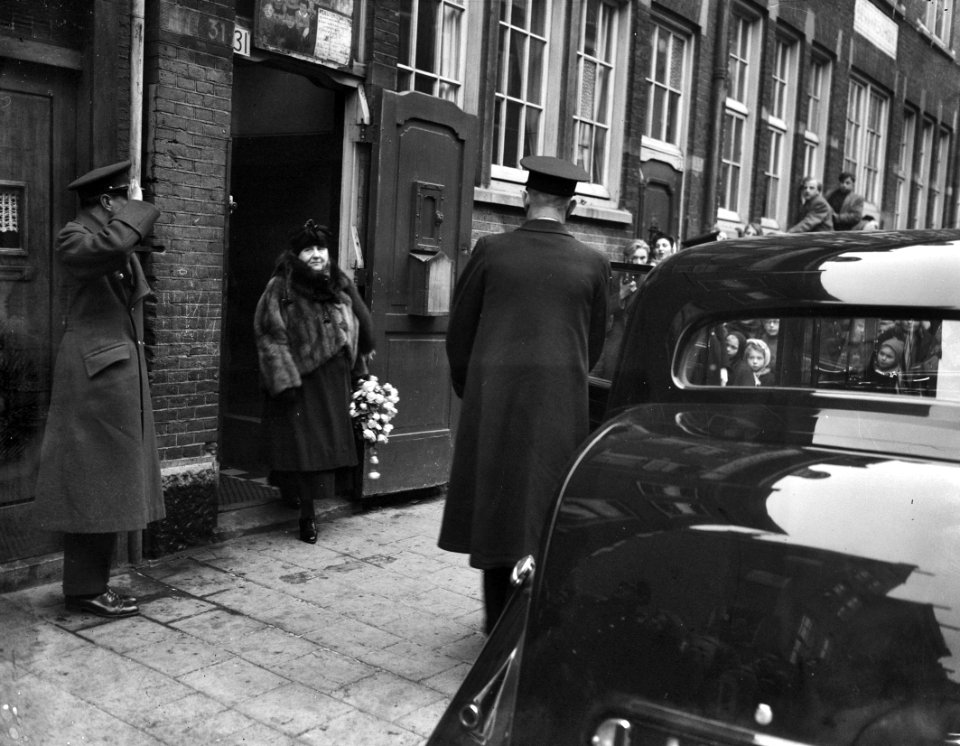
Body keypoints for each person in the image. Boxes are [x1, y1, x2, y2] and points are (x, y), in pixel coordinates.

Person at [441, 155, 609, 634]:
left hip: (494, 402)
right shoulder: (594, 263)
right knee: (543, 508)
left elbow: (460, 332)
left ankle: (496, 623)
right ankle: (535, 622)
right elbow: (592, 344)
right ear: (571, 205)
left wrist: (470, 389)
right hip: (560, 409)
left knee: (498, 506)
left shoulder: (491, 251)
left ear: (524, 198)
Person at [33, 160, 164, 619]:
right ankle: (85, 589)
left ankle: (92, 586)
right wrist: (141, 208)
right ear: (108, 201)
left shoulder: (105, 241)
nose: (130, 208)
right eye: (123, 199)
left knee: (106, 487)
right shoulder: (74, 237)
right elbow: (115, 242)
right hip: (93, 380)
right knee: (93, 486)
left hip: (111, 377)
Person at [254, 220, 374, 544]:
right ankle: (307, 516)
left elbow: (352, 330)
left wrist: (359, 370)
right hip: (301, 381)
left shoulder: (338, 285)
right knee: (304, 451)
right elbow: (269, 335)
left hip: (335, 379)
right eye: (309, 249)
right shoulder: (281, 287)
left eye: (321, 248)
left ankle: (296, 495)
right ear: (297, 254)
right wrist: (285, 380)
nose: (317, 255)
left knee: (322, 449)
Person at [594, 239, 649, 378]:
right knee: (610, 373)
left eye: (642, 258)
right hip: (617, 335)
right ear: (627, 258)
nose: (638, 262)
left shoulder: (649, 278)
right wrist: (622, 294)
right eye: (634, 258)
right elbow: (604, 307)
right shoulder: (616, 275)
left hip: (638, 335)